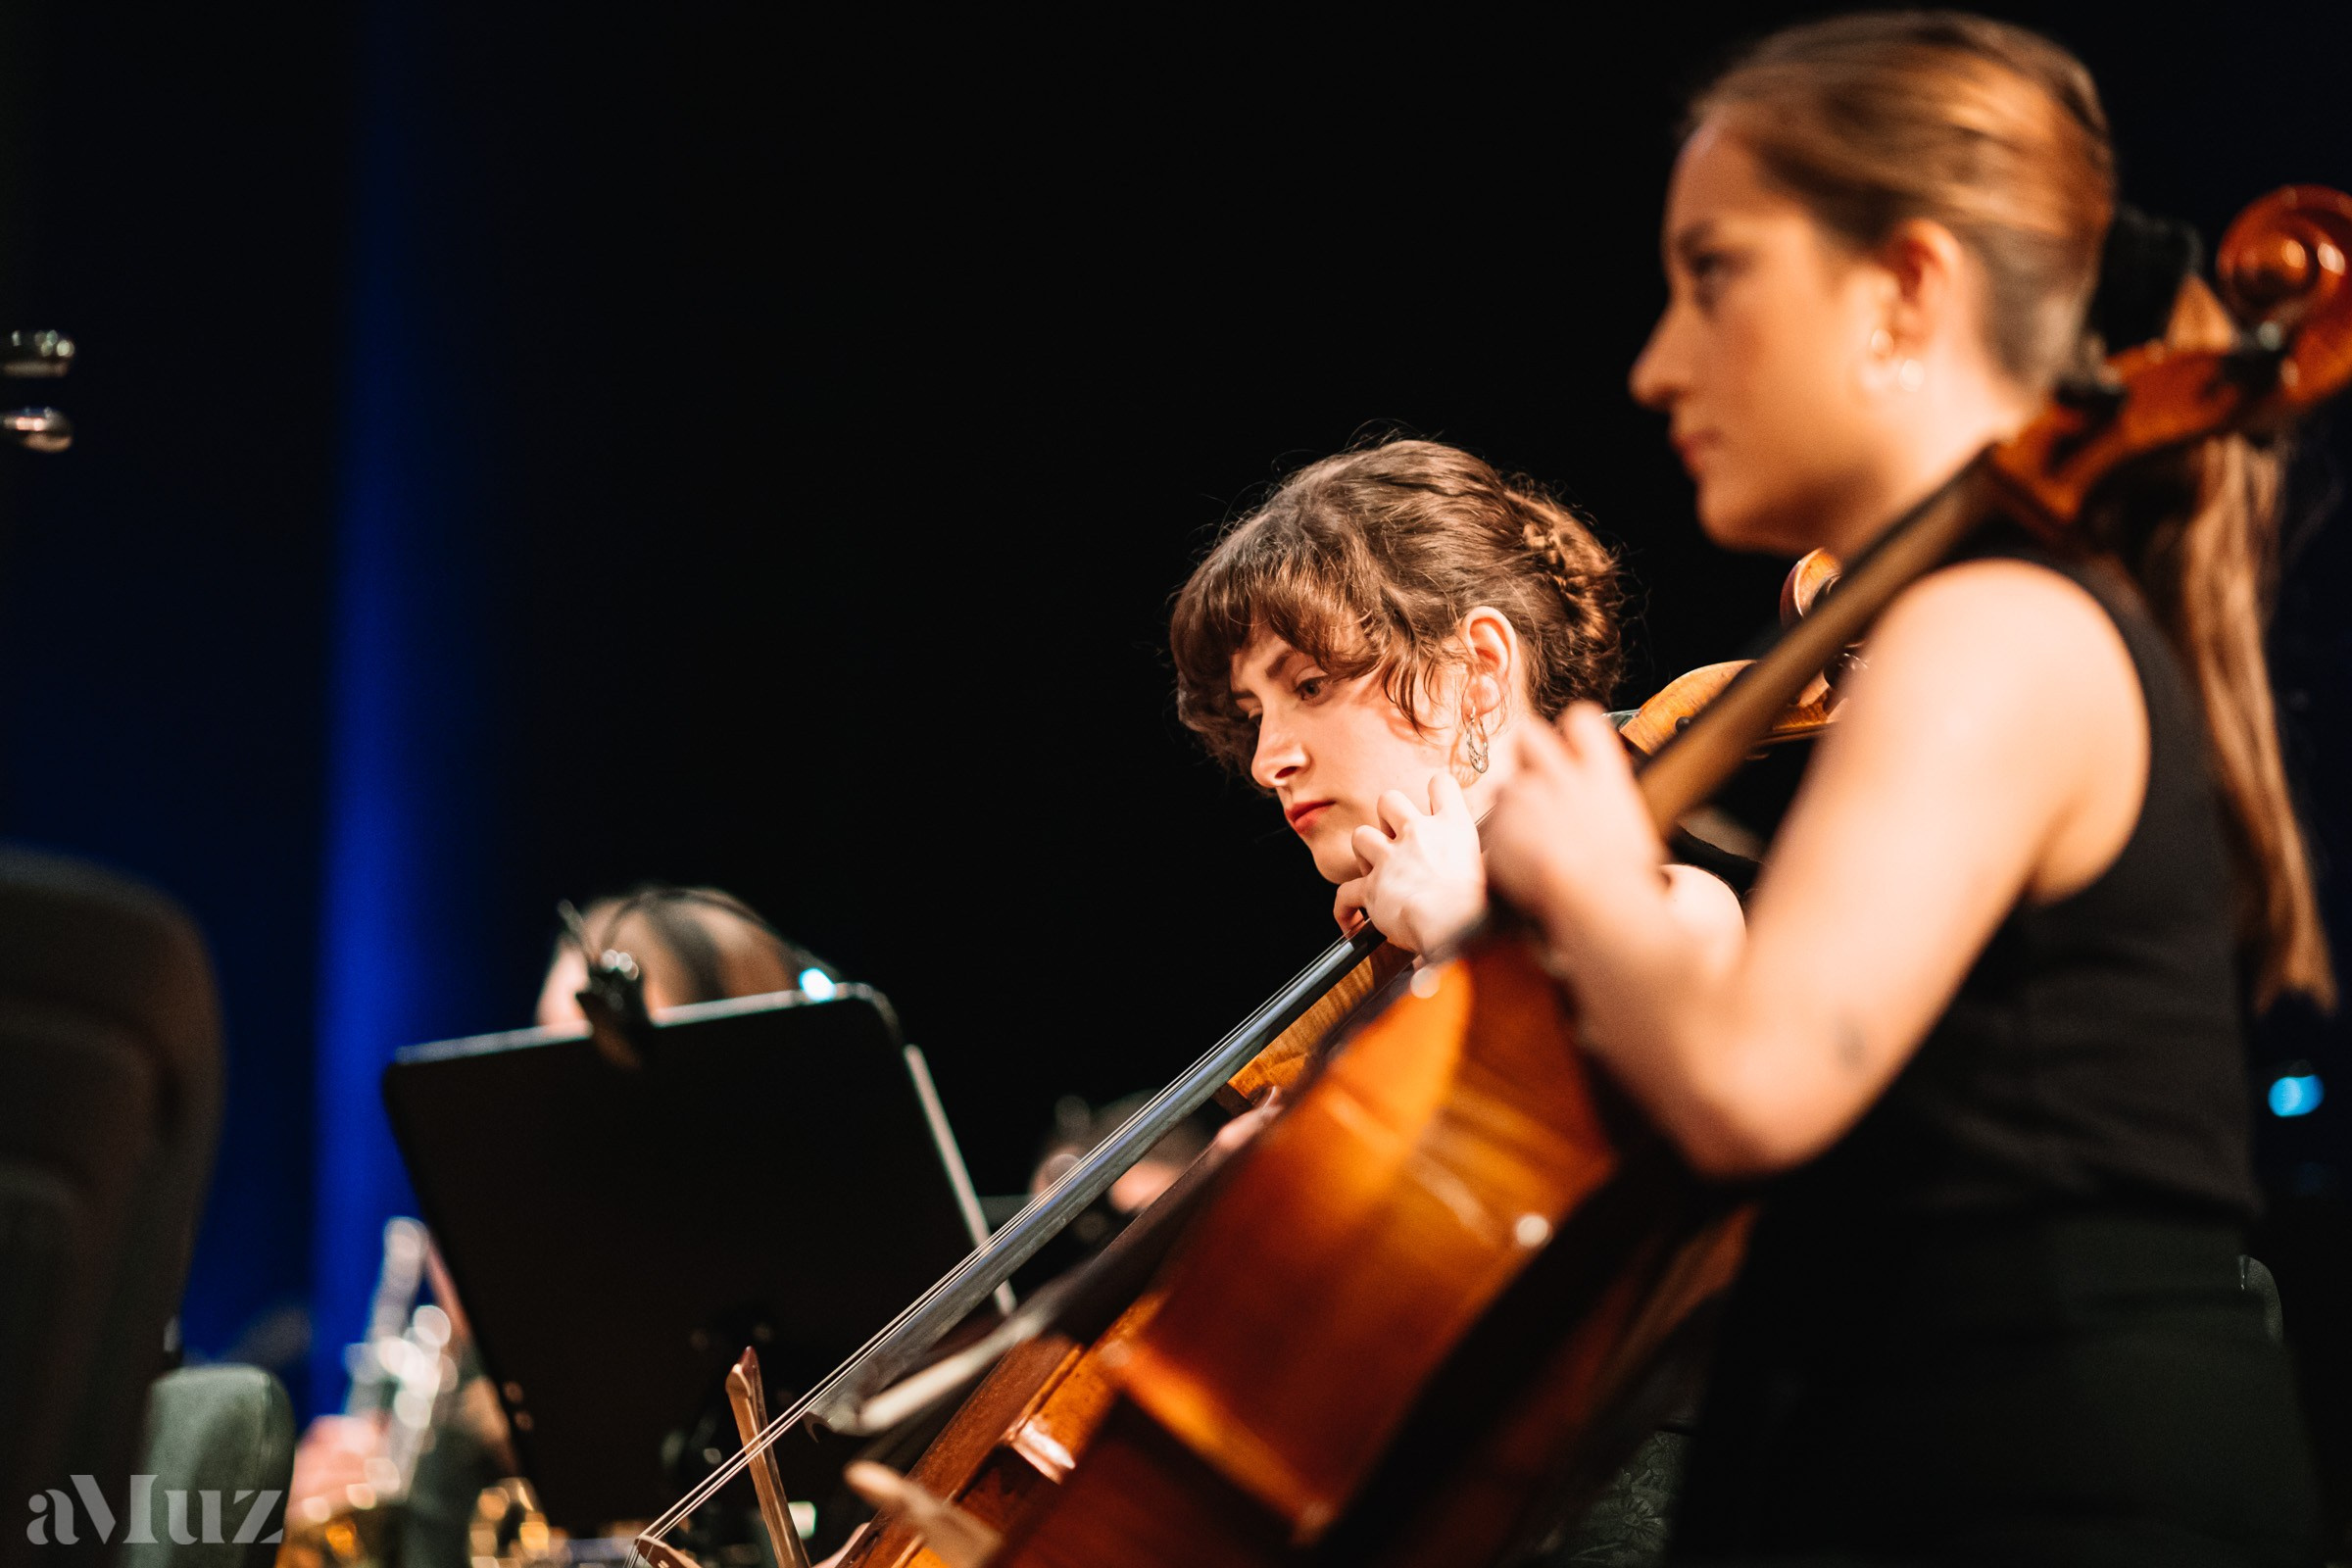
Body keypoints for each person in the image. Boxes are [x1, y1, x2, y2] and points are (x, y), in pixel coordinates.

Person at [1480, 13, 2328, 1564]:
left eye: (1714, 275)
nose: (1657, 364)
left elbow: (1751, 1084)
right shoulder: (1976, 617)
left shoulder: (1991, 627)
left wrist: (1596, 875)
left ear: (1905, 292)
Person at [1169, 436, 1742, 964]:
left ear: (1477, 670)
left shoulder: (1682, 909)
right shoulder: (1402, 946)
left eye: (1311, 685)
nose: (1267, 763)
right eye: (1255, 714)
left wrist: (1445, 913)